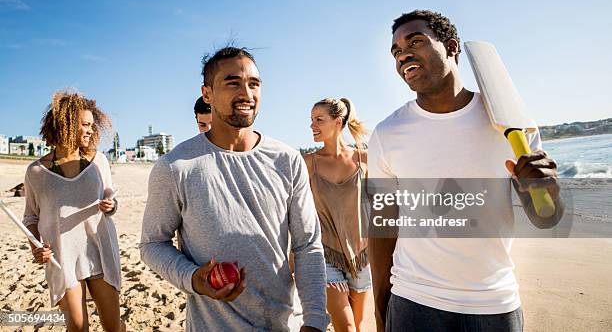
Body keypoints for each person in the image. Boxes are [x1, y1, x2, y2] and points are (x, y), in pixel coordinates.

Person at [368, 10, 561, 332]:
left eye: (416, 41)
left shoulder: (511, 121)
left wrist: (546, 189)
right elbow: (382, 226)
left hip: (494, 302)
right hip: (413, 300)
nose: (404, 55)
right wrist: (380, 306)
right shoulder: (388, 134)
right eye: (397, 51)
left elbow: (546, 218)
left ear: (451, 46)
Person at [140, 46, 328, 332]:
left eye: (254, 84)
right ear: (207, 94)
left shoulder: (287, 160)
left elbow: (307, 244)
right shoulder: (175, 167)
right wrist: (193, 278)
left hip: (284, 323)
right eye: (233, 83)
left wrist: (314, 320)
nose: (246, 93)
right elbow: (153, 244)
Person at [23, 90, 125, 332]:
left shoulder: (99, 161)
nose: (90, 130)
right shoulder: (36, 172)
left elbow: (110, 201)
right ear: (67, 124)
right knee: (78, 327)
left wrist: (111, 207)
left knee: (112, 326)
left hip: (100, 251)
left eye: (92, 125)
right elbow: (30, 218)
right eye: (85, 125)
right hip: (62, 257)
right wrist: (36, 247)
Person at [304, 97, 371, 332]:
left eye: (319, 120)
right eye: (311, 120)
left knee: (359, 325)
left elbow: (385, 205)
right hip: (326, 254)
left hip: (363, 255)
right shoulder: (307, 163)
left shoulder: (364, 159)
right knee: (347, 327)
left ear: (338, 122)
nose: (312, 125)